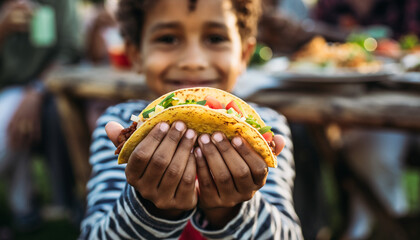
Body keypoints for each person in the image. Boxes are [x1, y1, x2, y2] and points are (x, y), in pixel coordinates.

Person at [79, 0, 303, 239]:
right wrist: (148, 209)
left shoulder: (271, 129)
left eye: (215, 38)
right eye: (168, 39)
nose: (193, 60)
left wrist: (231, 211)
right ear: (135, 53)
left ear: (244, 54)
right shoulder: (120, 126)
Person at [0, 0, 80, 230]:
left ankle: (26, 209)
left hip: (35, 88)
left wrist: (36, 90)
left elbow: (70, 51)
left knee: (14, 126)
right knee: (14, 130)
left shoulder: (60, 5)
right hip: (7, 90)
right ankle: (24, 209)